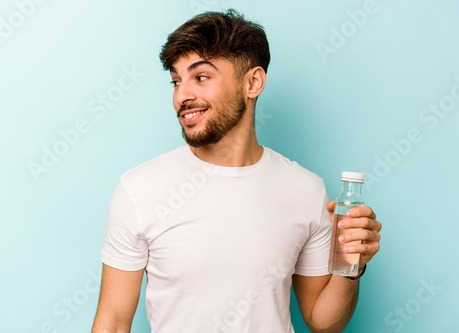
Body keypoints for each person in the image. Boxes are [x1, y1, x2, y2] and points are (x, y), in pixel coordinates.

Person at [92, 9, 382, 333]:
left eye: (200, 77)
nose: (182, 95)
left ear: (253, 82)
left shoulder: (305, 190)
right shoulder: (139, 190)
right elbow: (113, 323)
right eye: (176, 80)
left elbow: (323, 322)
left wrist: (349, 265)